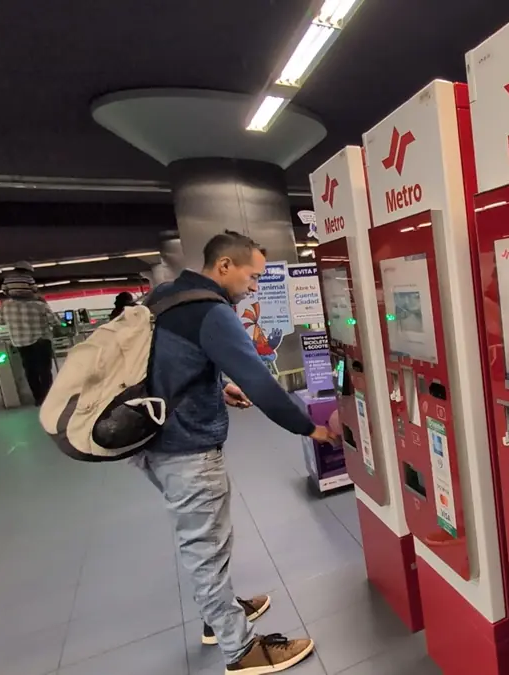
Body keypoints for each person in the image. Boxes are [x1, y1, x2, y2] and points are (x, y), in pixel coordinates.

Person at [137, 230, 331, 674]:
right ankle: (241, 650)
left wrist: (216, 387)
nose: (253, 287)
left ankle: (217, 613)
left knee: (206, 539)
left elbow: (167, 367)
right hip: (187, 449)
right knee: (205, 546)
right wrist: (309, 428)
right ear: (224, 266)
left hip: (159, 440)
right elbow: (262, 382)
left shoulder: (166, 297)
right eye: (252, 275)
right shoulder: (211, 311)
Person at [0, 282, 58, 406]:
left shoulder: (5, 305)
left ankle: (38, 399)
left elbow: (1, 322)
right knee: (45, 370)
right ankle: (49, 398)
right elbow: (54, 321)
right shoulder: (40, 305)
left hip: (20, 342)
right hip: (41, 340)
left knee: (30, 371)